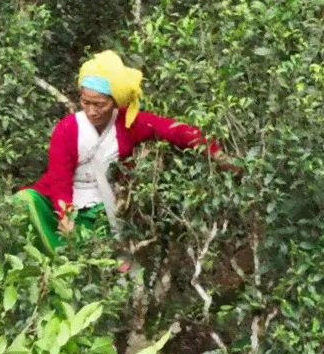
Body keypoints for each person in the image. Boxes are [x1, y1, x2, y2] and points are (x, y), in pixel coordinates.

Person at [15, 50, 220, 255]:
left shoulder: (128, 124)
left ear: (114, 102)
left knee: (105, 243)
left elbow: (174, 130)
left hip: (103, 205)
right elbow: (60, 179)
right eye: (85, 102)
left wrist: (215, 153)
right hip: (62, 204)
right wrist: (65, 215)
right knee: (25, 200)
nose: (91, 111)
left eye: (99, 104)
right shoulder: (67, 129)